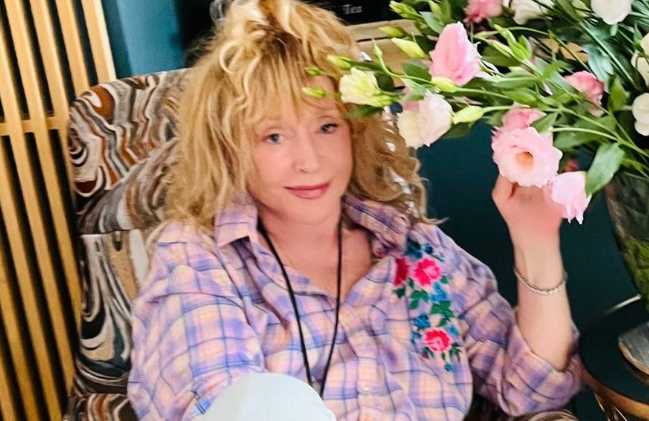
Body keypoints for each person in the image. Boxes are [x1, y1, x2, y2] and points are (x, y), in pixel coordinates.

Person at [127, 0, 582, 419]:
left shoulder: (416, 251)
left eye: (327, 126)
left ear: (355, 131)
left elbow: (533, 390)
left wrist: (536, 238)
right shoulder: (201, 260)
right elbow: (220, 406)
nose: (309, 160)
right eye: (273, 136)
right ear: (229, 148)